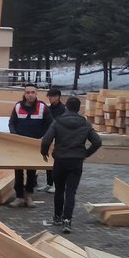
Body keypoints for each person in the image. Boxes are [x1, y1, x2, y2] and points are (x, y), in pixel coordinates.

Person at [40, 96, 101, 234]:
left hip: (60, 160)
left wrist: (44, 152)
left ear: (66, 107)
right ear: (79, 109)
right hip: (76, 161)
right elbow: (97, 142)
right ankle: (67, 220)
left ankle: (57, 217)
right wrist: (85, 153)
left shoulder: (58, 122)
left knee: (59, 189)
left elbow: (46, 140)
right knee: (71, 192)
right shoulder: (85, 124)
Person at [8, 83, 51, 207]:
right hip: (20, 145)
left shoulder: (42, 107)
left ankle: (28, 196)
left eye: (33, 92)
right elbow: (12, 123)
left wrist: (44, 138)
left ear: (36, 93)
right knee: (18, 171)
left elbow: (51, 124)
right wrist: (15, 135)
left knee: (32, 172)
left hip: (34, 145)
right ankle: (19, 197)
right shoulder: (17, 107)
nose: (30, 95)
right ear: (24, 94)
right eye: (28, 92)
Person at [42, 86, 65, 192]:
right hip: (50, 136)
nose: (49, 98)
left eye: (51, 96)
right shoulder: (48, 109)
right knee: (48, 160)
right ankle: (49, 183)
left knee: (58, 162)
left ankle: (57, 184)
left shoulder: (63, 109)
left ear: (57, 97)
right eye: (49, 96)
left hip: (60, 138)